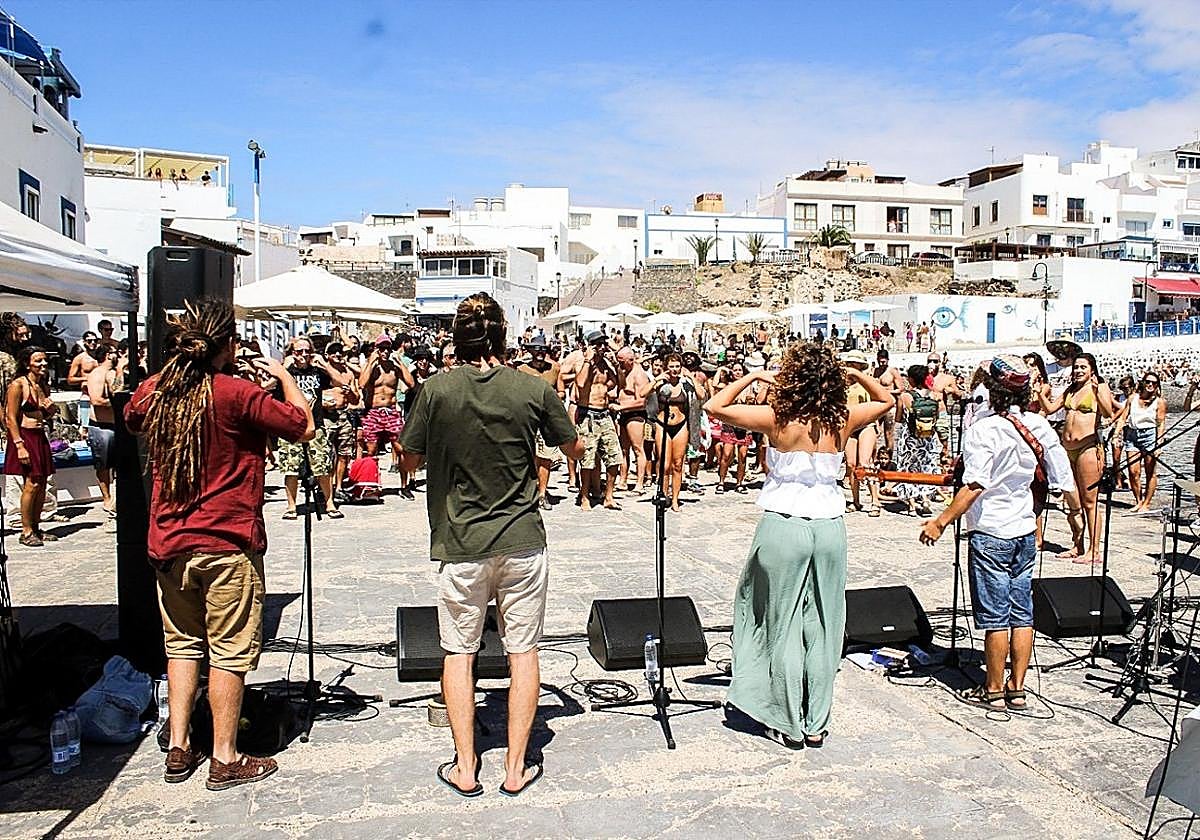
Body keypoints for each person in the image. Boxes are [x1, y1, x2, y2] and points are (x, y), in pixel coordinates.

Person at [125, 298, 313, 790]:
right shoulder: (236, 392)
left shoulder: (158, 392)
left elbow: (128, 414)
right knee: (228, 653)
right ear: (227, 346)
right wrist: (283, 377)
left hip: (170, 541)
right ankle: (225, 756)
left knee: (181, 646)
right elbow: (302, 425)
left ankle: (180, 744)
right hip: (227, 542)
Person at [400, 292, 582, 798]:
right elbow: (574, 448)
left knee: (458, 652)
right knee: (523, 652)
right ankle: (516, 767)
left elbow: (408, 459)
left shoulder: (435, 391)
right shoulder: (531, 389)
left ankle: (465, 765)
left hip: (461, 540)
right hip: (522, 537)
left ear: (456, 337)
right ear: (504, 335)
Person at [705, 342, 893, 748]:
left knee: (781, 622)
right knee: (824, 625)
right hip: (829, 526)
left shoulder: (777, 419)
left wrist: (755, 376)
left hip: (784, 522)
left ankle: (786, 720)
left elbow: (715, 408)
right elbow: (886, 399)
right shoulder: (842, 418)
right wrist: (856, 374)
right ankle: (816, 723)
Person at [919, 356, 1073, 711]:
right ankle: (1017, 688)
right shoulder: (1037, 424)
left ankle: (992, 688)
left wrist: (940, 521)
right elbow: (1061, 473)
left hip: (991, 529)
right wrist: (1073, 505)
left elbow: (975, 484)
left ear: (991, 389)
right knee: (1022, 612)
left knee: (995, 616)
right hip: (1023, 526)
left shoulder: (983, 429)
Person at [1039, 353, 1113, 562]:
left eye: (1083, 367)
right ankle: (1077, 545)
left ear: (1092, 370)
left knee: (1090, 502)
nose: (1078, 371)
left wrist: (1098, 393)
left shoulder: (1099, 387)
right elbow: (1051, 409)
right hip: (1067, 448)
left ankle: (1094, 550)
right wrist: (1040, 393)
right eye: (1076, 367)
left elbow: (1108, 413)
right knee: (1073, 501)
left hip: (1088, 448)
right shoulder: (1070, 390)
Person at [279, 337, 342, 519]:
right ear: (292, 353)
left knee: (322, 466)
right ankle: (291, 506)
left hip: (316, 424)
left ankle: (330, 504)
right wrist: (284, 367)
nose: (304, 355)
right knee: (291, 467)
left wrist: (324, 364)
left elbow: (340, 382)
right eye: (299, 351)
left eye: (307, 351)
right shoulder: (287, 373)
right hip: (291, 426)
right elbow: (269, 387)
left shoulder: (317, 372)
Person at [5, 347, 58, 546]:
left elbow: (43, 415)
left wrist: (49, 411)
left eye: (44, 361)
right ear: (27, 364)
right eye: (38, 361)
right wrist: (19, 445)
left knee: (42, 482)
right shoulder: (18, 385)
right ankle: (26, 530)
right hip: (25, 437)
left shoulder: (42, 385)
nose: (43, 364)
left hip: (39, 435)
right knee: (31, 483)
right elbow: (10, 417)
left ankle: (36, 526)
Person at [360, 335, 415, 497]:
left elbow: (411, 384)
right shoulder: (372, 367)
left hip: (391, 411)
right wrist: (371, 362)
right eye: (381, 348)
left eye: (387, 349)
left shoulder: (394, 367)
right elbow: (362, 384)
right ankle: (372, 486)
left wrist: (400, 363)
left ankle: (404, 486)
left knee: (400, 448)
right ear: (377, 349)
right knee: (370, 451)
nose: (384, 352)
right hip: (374, 411)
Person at [574, 331, 622, 510]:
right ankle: (584, 495)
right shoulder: (584, 363)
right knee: (587, 460)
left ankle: (608, 496)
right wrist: (588, 359)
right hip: (588, 415)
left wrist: (616, 365)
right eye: (598, 345)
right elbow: (580, 384)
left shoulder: (606, 366)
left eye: (603, 344)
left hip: (604, 414)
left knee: (614, 457)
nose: (602, 348)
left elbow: (620, 385)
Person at [518, 335, 562, 509]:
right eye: (536, 349)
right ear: (530, 351)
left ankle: (542, 493)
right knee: (527, 457)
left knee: (546, 458)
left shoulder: (555, 369)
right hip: (527, 420)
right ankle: (529, 490)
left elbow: (561, 391)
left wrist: (553, 399)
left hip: (546, 420)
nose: (540, 353)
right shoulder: (521, 370)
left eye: (543, 349)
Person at [1114, 371, 1166, 513]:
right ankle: (1138, 500)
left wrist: (1158, 443)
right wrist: (1116, 435)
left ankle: (1146, 503)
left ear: (1157, 386)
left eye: (1154, 383)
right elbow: (1123, 417)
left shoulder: (1159, 402)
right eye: (1148, 382)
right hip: (1132, 434)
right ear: (1143, 382)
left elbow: (1160, 423)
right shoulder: (1133, 398)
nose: (1150, 385)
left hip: (1149, 434)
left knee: (1150, 471)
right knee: (1133, 471)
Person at [894, 365, 942, 516]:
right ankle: (926, 499)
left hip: (910, 437)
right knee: (926, 466)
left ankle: (912, 505)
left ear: (911, 379)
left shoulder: (905, 396)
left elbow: (899, 418)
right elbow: (937, 416)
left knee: (908, 468)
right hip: (928, 436)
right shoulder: (934, 395)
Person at [841, 350, 881, 515]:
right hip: (849, 426)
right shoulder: (841, 384)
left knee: (865, 462)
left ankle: (875, 500)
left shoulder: (867, 382)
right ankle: (855, 500)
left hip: (866, 424)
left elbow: (879, 402)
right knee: (851, 464)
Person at [85, 344, 120, 517]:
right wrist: (118, 402)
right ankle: (106, 499)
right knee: (103, 465)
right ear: (108, 355)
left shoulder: (115, 373)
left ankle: (115, 499)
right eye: (115, 353)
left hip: (117, 426)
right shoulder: (97, 374)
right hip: (102, 427)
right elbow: (97, 400)